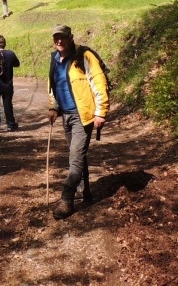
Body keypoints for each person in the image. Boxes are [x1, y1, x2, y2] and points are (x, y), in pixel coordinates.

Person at [47, 25, 109, 220]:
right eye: (56, 37)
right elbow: (54, 85)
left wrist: (101, 112)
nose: (59, 41)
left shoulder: (84, 56)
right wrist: (53, 107)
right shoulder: (55, 59)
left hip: (83, 116)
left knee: (75, 156)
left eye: (63, 37)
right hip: (66, 115)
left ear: (70, 37)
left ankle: (67, 200)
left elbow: (98, 82)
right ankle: (86, 191)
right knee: (78, 155)